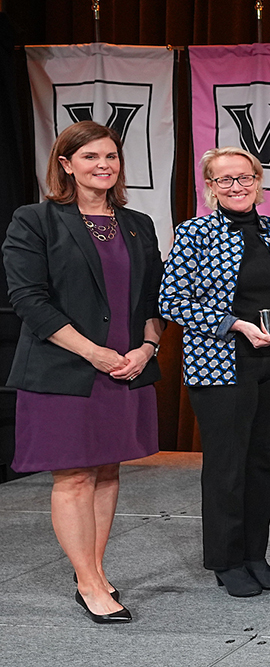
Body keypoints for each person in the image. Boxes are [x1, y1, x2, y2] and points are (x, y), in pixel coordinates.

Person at [4, 121, 164, 623]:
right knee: (73, 475)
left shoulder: (138, 222)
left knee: (108, 470)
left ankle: (91, 570)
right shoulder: (35, 220)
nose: (103, 165)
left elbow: (153, 299)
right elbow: (28, 300)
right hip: (64, 370)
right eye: (91, 156)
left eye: (111, 157)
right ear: (66, 164)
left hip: (125, 366)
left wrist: (147, 347)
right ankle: (90, 583)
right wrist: (93, 353)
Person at [159, 147, 270, 597]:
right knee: (228, 465)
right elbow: (171, 301)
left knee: (265, 463)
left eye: (244, 178)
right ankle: (227, 560)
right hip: (220, 365)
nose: (237, 187)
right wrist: (236, 325)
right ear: (211, 188)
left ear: (259, 182)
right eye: (225, 180)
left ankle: (255, 554)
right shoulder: (195, 233)